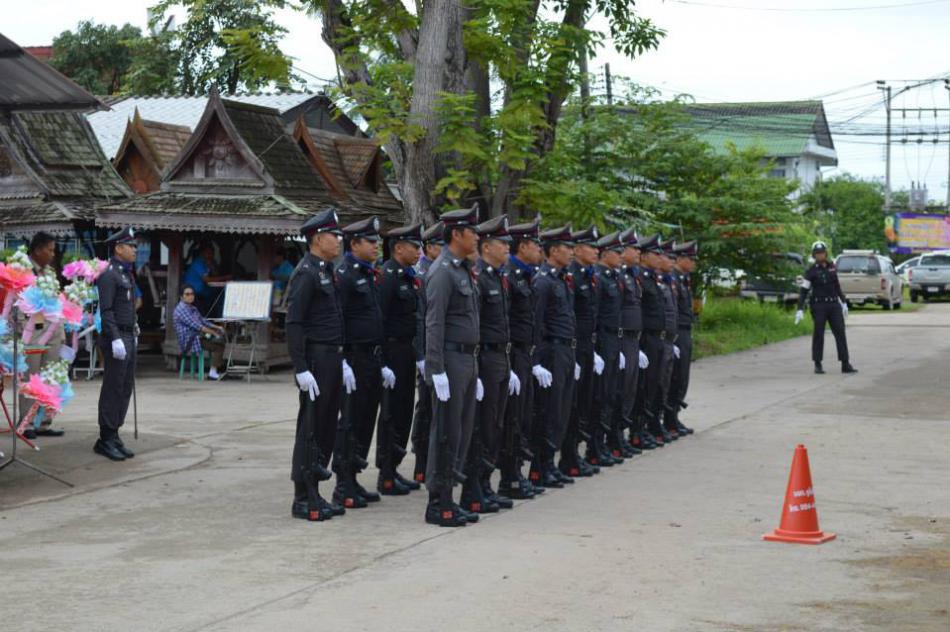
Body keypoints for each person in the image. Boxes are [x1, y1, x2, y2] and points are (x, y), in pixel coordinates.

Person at [285, 209, 347, 522]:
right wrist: (300, 367)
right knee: (310, 426)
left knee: (325, 425)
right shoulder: (306, 272)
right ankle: (303, 496)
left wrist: (343, 359)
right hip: (316, 359)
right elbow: (294, 322)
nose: (338, 240)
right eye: (334, 235)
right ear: (318, 238)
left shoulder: (326, 270)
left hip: (332, 357)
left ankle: (316, 489)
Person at [423, 205, 480, 527]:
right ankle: (438, 502)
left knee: (460, 431)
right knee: (445, 432)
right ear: (456, 234)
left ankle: (450, 497)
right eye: (472, 232)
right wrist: (437, 369)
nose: (476, 238)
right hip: (450, 359)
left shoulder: (462, 269)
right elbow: (434, 323)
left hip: (466, 360)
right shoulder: (443, 271)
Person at [332, 216, 394, 509]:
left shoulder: (368, 273)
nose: (376, 246)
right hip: (354, 357)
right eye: (371, 241)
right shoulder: (344, 275)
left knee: (367, 418)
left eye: (377, 241)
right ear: (354, 244)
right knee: (351, 420)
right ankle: (343, 483)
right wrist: (342, 360)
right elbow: (339, 318)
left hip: (371, 356)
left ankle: (354, 476)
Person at [461, 215, 517, 514]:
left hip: (501, 357)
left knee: (495, 424)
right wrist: (477, 368)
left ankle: (485, 484)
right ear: (486, 247)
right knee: (481, 426)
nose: (508, 249)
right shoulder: (479, 278)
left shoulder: (497, 276)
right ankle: (472, 489)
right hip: (484, 358)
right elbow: (476, 325)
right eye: (502, 244)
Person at [498, 218, 544, 500]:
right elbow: (504, 320)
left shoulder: (526, 274)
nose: (540, 250)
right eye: (536, 244)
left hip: (525, 354)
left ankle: (517, 471)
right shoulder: (509, 275)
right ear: (524, 245)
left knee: (524, 416)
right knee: (512, 418)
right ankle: (509, 477)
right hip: (512, 353)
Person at [377, 222, 424, 495]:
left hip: (407, 351)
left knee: (404, 411)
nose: (418, 251)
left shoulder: (407, 276)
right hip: (392, 352)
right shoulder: (388, 276)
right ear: (398, 248)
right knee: (391, 414)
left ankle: (393, 467)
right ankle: (385, 472)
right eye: (414, 246)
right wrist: (382, 361)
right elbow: (380, 320)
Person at [529, 225, 577, 489]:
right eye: (567, 248)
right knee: (548, 410)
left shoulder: (561, 279)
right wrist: (536, 361)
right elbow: (536, 323)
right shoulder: (543, 281)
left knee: (561, 410)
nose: (571, 253)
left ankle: (550, 462)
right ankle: (540, 467)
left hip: (565, 350)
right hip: (551, 351)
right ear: (554, 251)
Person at [93, 227, 140, 462]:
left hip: (128, 334)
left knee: (125, 386)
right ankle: (105, 437)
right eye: (131, 246)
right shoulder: (109, 274)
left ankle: (114, 432)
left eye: (135, 246)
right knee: (113, 386)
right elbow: (107, 310)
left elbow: (128, 307)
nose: (135, 250)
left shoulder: (126, 274)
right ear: (118, 248)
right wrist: (116, 338)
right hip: (117, 337)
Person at [559, 226, 600, 478]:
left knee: (584, 403)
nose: (596, 251)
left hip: (586, 346)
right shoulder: (571, 276)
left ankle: (574, 454)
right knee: (571, 407)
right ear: (578, 250)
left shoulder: (586, 275)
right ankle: (568, 457)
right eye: (591, 247)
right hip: (572, 346)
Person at [19, 232, 69, 439]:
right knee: (32, 377)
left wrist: (62, 330)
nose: (52, 254)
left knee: (50, 377)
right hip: (32, 331)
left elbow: (56, 302)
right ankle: (27, 422)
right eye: (50, 249)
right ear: (38, 250)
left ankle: (43, 422)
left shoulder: (49, 271)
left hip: (52, 330)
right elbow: (17, 302)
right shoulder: (22, 270)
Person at [409, 222, 443, 483]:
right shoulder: (422, 274)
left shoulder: (437, 272)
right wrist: (421, 356)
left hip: (439, 351)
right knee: (427, 409)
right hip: (428, 352)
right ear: (430, 248)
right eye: (441, 246)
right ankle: (421, 460)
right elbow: (421, 319)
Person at [588, 231, 624, 467]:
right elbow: (594, 315)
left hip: (613, 341)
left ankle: (602, 444)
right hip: (602, 341)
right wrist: (595, 349)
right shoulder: (598, 279)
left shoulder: (610, 277)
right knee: (599, 397)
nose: (621, 257)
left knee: (611, 395)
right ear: (606, 253)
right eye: (617, 253)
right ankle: (594, 446)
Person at [796, 241, 857, 375]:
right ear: (814, 255)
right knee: (818, 333)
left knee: (840, 332)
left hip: (833, 305)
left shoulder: (832, 267)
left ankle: (845, 363)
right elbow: (804, 290)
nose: (820, 256)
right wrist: (800, 308)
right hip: (819, 305)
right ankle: (818, 363)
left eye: (822, 253)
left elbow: (837, 286)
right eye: (817, 254)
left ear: (826, 253)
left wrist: (844, 301)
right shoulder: (811, 271)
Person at [612, 228, 646, 458]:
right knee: (619, 391)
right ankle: (614, 439)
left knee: (630, 392)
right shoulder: (619, 276)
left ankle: (621, 437)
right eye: (634, 248)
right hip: (622, 339)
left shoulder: (633, 275)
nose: (638, 252)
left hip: (634, 339)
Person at [636, 234, 670, 448]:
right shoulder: (640, 278)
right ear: (645, 256)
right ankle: (639, 430)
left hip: (658, 338)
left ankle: (649, 426)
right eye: (656, 254)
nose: (660, 258)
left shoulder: (652, 279)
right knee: (645, 388)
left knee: (657, 385)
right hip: (646, 339)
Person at [666, 241, 698, 437]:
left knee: (682, 377)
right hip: (677, 332)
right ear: (680, 259)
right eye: (691, 259)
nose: (694, 263)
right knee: (675, 377)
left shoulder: (684, 279)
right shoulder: (673, 279)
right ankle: (669, 418)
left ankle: (674, 416)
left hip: (685, 331)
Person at [172, 285, 227, 380]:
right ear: (181, 297)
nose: (190, 296)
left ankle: (219, 366)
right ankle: (213, 373)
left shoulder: (192, 308)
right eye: (187, 294)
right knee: (218, 345)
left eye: (192, 294)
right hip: (189, 341)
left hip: (197, 337)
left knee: (221, 339)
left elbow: (203, 321)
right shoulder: (181, 310)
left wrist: (217, 327)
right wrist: (214, 333)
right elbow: (198, 326)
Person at [183, 242, 231, 314]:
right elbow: (207, 280)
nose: (210, 255)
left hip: (203, 290)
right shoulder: (198, 263)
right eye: (208, 253)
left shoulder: (207, 262)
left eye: (212, 253)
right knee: (219, 295)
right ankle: (218, 316)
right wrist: (225, 277)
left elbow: (215, 275)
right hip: (195, 291)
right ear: (202, 253)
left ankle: (215, 314)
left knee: (219, 292)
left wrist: (212, 266)